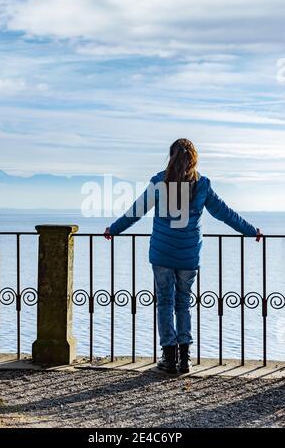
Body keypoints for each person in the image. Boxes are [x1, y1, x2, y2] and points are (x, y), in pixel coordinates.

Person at [104, 138, 262, 374]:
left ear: (170, 156)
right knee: (183, 304)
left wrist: (113, 230)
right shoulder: (202, 184)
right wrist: (251, 231)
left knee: (165, 303)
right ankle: (185, 359)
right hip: (188, 257)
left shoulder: (159, 182)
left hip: (162, 254)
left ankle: (168, 358)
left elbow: (135, 212)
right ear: (194, 158)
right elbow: (225, 214)